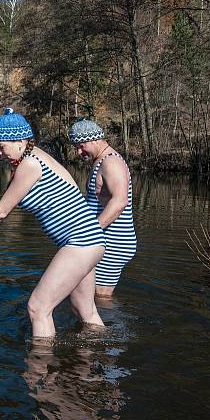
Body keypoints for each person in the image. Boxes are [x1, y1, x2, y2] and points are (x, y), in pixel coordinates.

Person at [0, 108, 106, 337]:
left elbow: (0, 212)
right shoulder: (39, 158)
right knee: (85, 311)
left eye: (1, 146)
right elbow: (73, 190)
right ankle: (105, 363)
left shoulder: (30, 164)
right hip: (90, 240)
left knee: (38, 308)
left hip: (80, 242)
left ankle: (39, 368)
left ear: (21, 141)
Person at [69, 118, 137, 297]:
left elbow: (120, 201)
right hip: (105, 239)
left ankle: (113, 325)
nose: (78, 151)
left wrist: (91, 231)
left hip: (114, 242)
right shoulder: (101, 161)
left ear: (96, 139)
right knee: (88, 295)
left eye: (82, 145)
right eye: (76, 147)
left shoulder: (111, 162)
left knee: (101, 297)